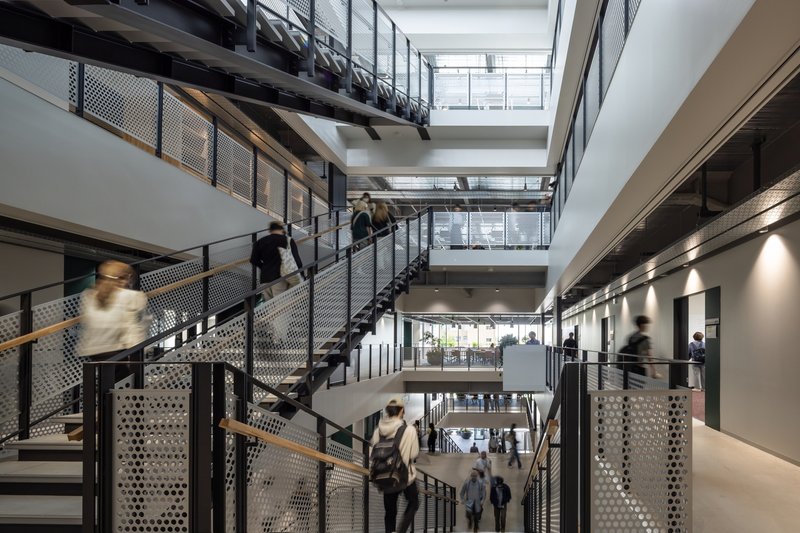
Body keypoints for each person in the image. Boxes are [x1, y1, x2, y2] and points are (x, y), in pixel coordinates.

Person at [78, 260, 149, 382]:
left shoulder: (88, 295)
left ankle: (103, 400)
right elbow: (136, 325)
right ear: (125, 278)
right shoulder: (131, 296)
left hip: (94, 350)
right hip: (116, 349)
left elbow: (86, 319)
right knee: (127, 386)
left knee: (107, 385)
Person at [371, 398, 419, 533]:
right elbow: (414, 454)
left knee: (390, 513)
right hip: (405, 476)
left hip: (384, 475)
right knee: (413, 502)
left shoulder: (377, 431)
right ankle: (401, 531)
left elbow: (374, 451)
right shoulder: (408, 430)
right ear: (402, 411)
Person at [249, 221, 303, 300]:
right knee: (280, 307)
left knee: (269, 306)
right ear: (282, 230)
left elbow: (253, 260)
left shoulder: (260, 242)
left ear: (270, 230)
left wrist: (263, 267)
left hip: (265, 278)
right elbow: (297, 261)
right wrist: (300, 274)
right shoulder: (287, 240)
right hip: (280, 277)